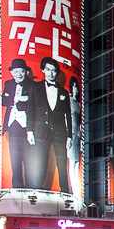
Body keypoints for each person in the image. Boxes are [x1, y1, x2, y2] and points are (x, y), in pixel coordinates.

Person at [1, 58, 40, 188]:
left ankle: (30, 187)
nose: (19, 74)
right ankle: (17, 187)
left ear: (26, 72)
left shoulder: (33, 85)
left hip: (27, 125)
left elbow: (35, 105)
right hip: (13, 125)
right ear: (12, 72)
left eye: (21, 71)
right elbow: (3, 101)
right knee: (14, 158)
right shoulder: (8, 84)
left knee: (29, 159)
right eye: (16, 71)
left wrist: (24, 100)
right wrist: (16, 99)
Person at [40, 57, 72, 193]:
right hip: (42, 131)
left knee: (61, 162)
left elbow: (68, 116)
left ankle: (64, 189)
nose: (51, 73)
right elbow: (32, 109)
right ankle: (37, 186)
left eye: (54, 71)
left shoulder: (64, 92)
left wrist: (69, 136)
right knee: (41, 159)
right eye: (48, 70)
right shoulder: (36, 87)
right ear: (43, 70)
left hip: (60, 133)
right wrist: (30, 131)